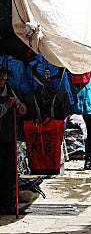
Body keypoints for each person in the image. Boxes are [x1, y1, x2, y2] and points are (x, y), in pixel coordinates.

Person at [0, 66, 27, 215]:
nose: (3, 79)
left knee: (9, 173)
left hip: (9, 138)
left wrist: (21, 108)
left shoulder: (10, 90)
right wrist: (7, 105)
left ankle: (9, 204)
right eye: (1, 76)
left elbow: (21, 108)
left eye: (4, 76)